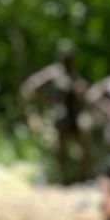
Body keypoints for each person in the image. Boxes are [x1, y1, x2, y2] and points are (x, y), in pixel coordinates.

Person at [20, 43, 89, 185]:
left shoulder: (73, 74)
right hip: (60, 116)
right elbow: (31, 86)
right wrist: (43, 102)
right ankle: (62, 180)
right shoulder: (54, 72)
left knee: (82, 147)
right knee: (61, 149)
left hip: (74, 115)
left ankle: (83, 178)